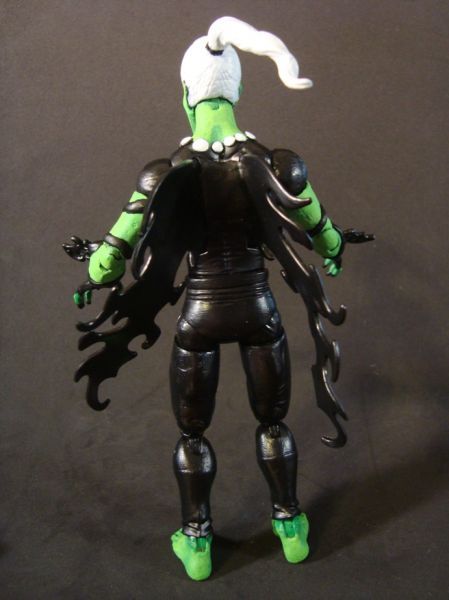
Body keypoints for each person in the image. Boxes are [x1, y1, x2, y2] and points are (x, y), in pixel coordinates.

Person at [64, 17, 373, 581]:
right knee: (274, 423)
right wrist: (334, 250)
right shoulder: (275, 163)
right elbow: (323, 233)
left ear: (186, 93)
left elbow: (108, 261)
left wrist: (92, 266)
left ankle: (197, 539)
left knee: (192, 431)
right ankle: (290, 525)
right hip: (260, 312)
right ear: (239, 90)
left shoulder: (166, 174)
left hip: (199, 318)